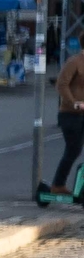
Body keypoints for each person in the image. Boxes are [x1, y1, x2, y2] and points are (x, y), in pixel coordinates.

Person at [55, 45, 84, 194]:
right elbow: (61, 84)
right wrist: (74, 102)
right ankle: (58, 185)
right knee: (74, 149)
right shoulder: (74, 62)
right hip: (71, 114)